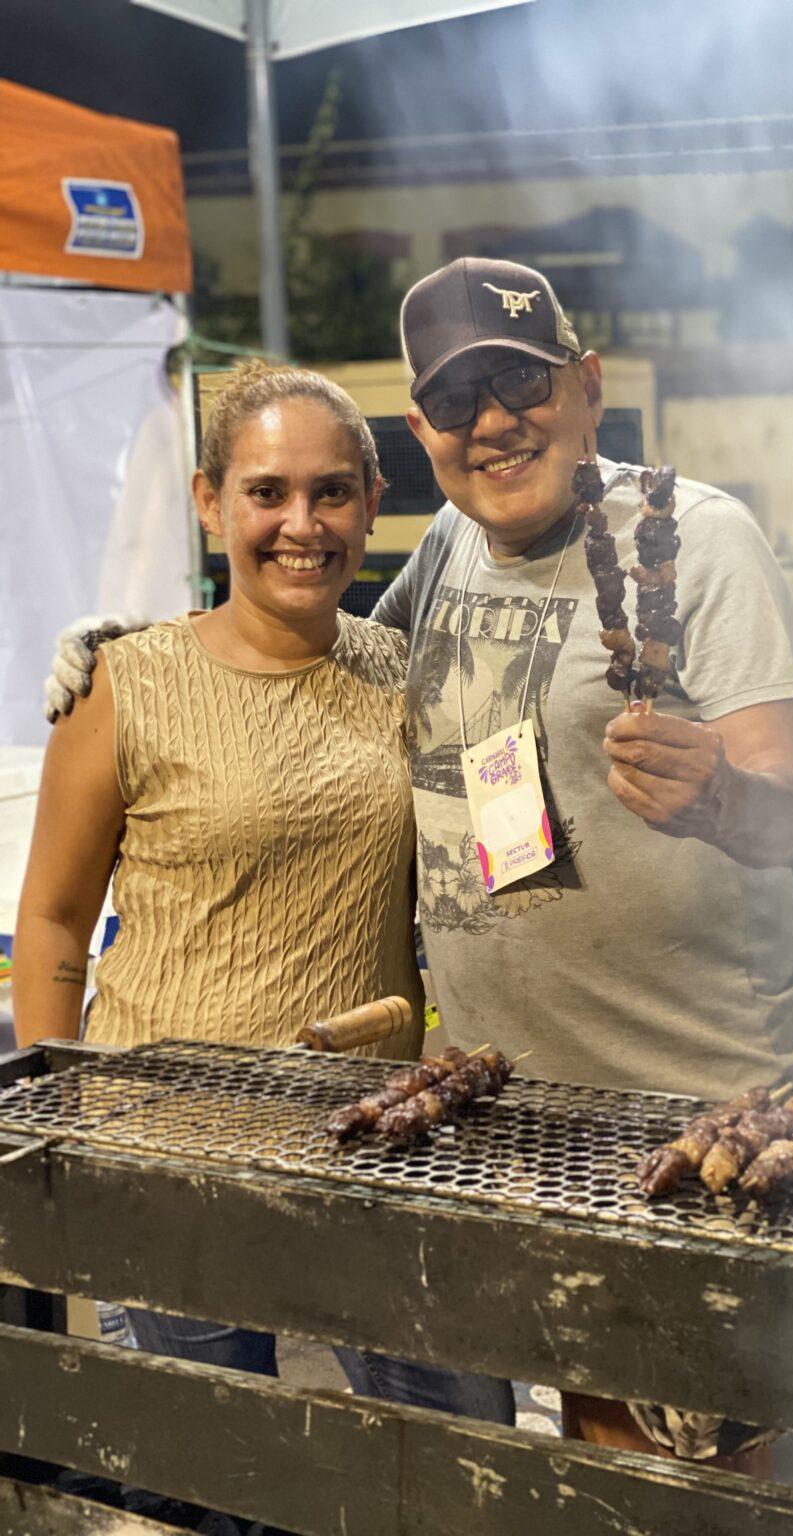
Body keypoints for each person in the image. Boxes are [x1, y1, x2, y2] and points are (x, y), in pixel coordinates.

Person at [44, 258, 793, 1466]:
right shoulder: (452, 546)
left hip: (692, 1099)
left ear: (586, 385)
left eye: (521, 382)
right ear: (424, 431)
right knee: (592, 1457)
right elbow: (311, 636)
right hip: (516, 1117)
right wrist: (132, 645)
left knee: (713, 1476)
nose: (494, 422)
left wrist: (720, 793)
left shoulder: (700, 540)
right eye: (458, 401)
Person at [18, 359, 514, 1425]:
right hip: (165, 1154)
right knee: (211, 1473)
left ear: (373, 506)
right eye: (267, 492)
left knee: (456, 1441)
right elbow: (55, 917)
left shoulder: (406, 675)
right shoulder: (125, 684)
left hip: (373, 1144)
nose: (304, 522)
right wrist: (64, 1132)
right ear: (210, 502)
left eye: (332, 491)